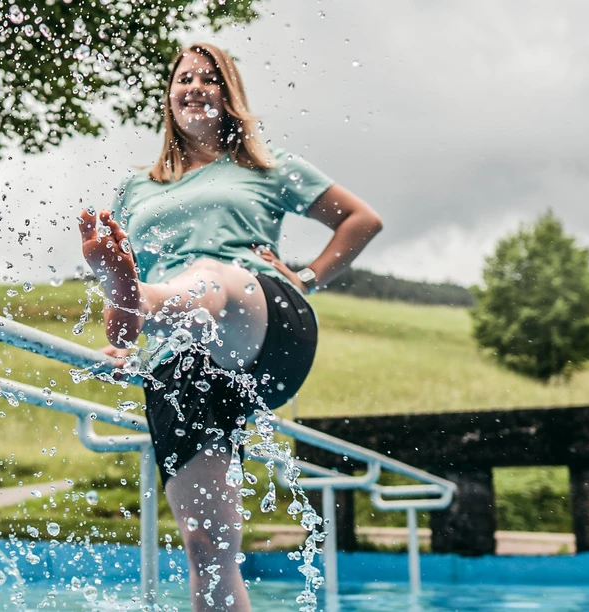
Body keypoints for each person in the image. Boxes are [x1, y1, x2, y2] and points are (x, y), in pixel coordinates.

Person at [77, 43, 384, 611]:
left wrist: (309, 275)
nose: (194, 86)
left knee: (210, 276)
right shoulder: (135, 189)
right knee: (207, 548)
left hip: (266, 322)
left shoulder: (268, 168)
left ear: (230, 95)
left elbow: (362, 219)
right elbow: (133, 266)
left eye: (209, 79)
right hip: (182, 355)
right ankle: (135, 302)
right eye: (183, 78)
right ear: (169, 98)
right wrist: (121, 345)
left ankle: (136, 299)